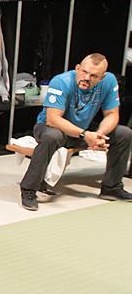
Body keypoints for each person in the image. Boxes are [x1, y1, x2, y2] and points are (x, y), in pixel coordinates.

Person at [19, 53, 132, 210]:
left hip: (84, 128)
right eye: (84, 72)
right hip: (52, 127)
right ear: (77, 68)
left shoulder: (109, 81)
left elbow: (112, 114)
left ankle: (112, 188)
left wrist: (99, 134)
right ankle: (29, 189)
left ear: (102, 77)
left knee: (124, 133)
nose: (87, 78)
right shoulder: (61, 81)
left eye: (93, 76)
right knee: (52, 136)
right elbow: (53, 119)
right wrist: (86, 135)